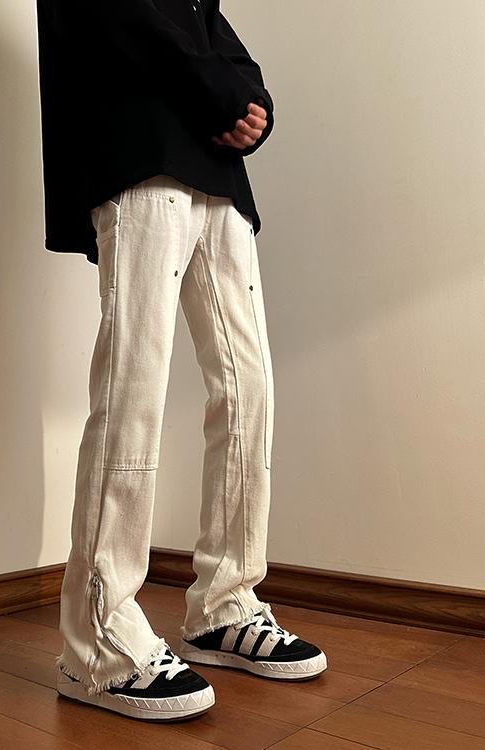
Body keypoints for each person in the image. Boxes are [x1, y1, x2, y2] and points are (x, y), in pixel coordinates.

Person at [36, 0, 327, 721]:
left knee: (249, 386)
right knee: (133, 386)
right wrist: (223, 96)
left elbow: (218, 38)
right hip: (141, 152)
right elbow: (123, 17)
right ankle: (98, 642)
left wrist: (251, 105)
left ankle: (225, 604)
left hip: (217, 173)